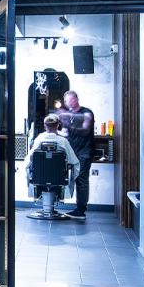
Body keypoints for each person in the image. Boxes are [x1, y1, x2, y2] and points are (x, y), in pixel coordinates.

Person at [26, 113, 80, 219]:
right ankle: (56, 202)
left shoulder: (39, 140)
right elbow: (74, 162)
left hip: (39, 177)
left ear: (45, 126)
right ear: (58, 126)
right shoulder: (63, 142)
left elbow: (28, 161)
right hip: (59, 178)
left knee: (28, 169)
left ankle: (41, 201)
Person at [54, 90, 95, 219]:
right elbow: (66, 133)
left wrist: (67, 124)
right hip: (73, 152)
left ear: (77, 99)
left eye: (70, 100)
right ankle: (78, 208)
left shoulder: (86, 113)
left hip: (84, 152)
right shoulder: (70, 114)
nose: (68, 103)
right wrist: (53, 132)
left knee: (81, 180)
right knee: (73, 179)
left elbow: (85, 130)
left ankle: (81, 210)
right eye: (66, 101)